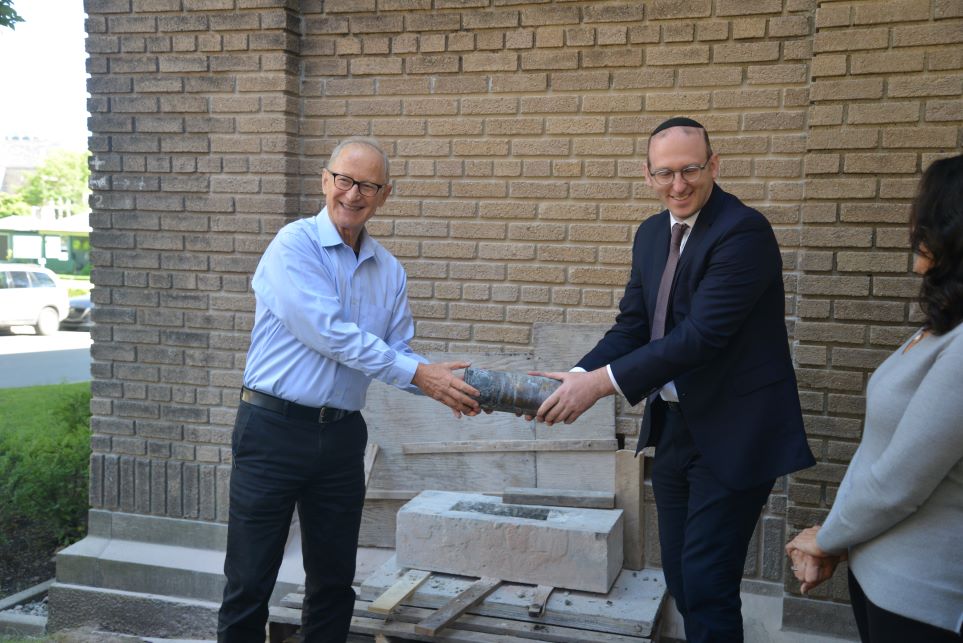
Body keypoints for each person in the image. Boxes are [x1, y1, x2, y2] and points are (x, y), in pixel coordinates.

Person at [531, 116, 816, 642]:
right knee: (683, 579)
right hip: (674, 427)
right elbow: (633, 327)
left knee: (708, 582)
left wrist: (599, 387)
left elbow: (700, 336)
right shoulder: (648, 234)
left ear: (714, 165)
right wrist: (576, 376)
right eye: (665, 173)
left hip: (734, 431)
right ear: (647, 175)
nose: (678, 185)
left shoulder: (743, 232)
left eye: (690, 170)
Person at [217, 136, 481, 643]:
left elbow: (397, 352)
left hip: (341, 439)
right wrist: (417, 373)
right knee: (250, 582)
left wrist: (444, 384)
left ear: (384, 195)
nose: (353, 193)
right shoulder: (293, 245)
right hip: (272, 430)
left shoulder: (390, 270)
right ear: (325, 180)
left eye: (369, 185)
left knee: (335, 583)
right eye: (345, 179)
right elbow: (331, 333)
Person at [786, 154, 963, 642]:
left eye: (923, 212)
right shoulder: (940, 330)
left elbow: (900, 480)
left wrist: (826, 539)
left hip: (922, 601)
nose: (912, 225)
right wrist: (840, 541)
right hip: (877, 578)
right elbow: (876, 454)